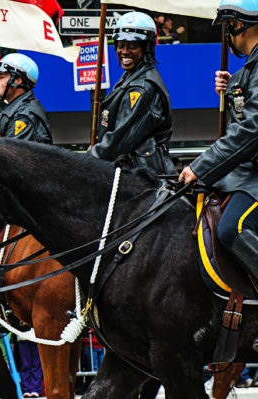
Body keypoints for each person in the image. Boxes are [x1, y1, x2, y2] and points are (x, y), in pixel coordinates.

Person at [179, 0, 258, 351]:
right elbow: (237, 125)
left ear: (241, 26)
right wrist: (233, 90)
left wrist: (199, 166)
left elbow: (251, 132)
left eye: (228, 27)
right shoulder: (247, 72)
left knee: (232, 228)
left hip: (254, 177)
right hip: (244, 175)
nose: (227, 36)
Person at [89, 11, 176, 176]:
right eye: (120, 45)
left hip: (144, 179)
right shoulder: (130, 77)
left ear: (147, 48)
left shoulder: (142, 87)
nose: (124, 51)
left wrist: (88, 159)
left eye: (132, 46)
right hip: (130, 172)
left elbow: (121, 138)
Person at [0, 53, 52, 144]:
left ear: (18, 81)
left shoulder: (24, 115)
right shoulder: (14, 108)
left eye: (1, 77)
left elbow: (13, 154)